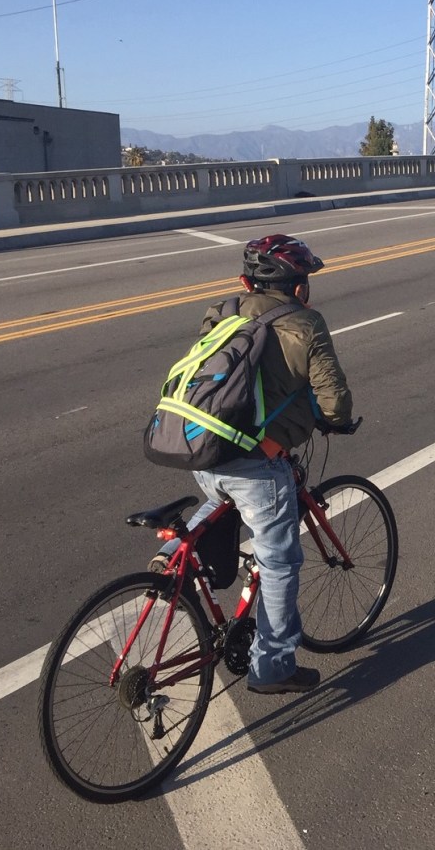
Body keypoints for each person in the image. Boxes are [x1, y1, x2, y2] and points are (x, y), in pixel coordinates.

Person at [151, 234, 355, 694]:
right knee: (280, 562)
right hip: (259, 464)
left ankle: (169, 561)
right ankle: (273, 667)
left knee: (220, 496)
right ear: (300, 288)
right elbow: (335, 400)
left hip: (206, 449)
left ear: (245, 282)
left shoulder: (222, 311)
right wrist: (335, 422)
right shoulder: (306, 323)